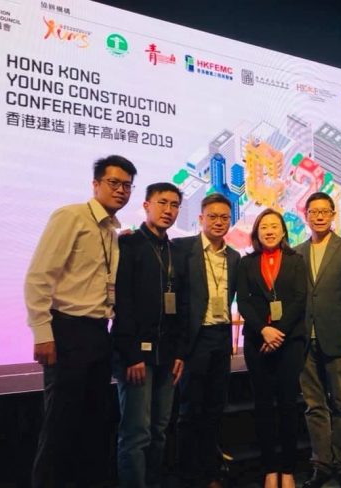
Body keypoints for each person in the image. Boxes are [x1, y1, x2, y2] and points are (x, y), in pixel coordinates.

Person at [25, 155, 137, 487]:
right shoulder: (71, 216)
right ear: (96, 184)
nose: (121, 190)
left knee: (92, 428)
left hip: (99, 334)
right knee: (60, 427)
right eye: (113, 183)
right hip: (67, 331)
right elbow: (38, 277)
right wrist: (42, 332)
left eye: (127, 185)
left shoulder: (112, 232)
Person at [111, 182, 187, 488]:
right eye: (162, 203)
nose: (168, 210)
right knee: (136, 434)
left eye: (174, 205)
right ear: (146, 205)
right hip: (135, 358)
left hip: (167, 356)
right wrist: (132, 355)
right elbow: (122, 304)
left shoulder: (175, 251)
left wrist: (180, 352)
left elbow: (182, 306)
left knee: (159, 431)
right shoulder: (128, 245)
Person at [295, 192, 341, 488]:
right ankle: (321, 464)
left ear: (333, 214)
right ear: (306, 215)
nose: (319, 216)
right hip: (305, 342)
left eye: (324, 211)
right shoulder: (297, 252)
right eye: (314, 211)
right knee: (314, 406)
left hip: (337, 340)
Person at [173, 193, 241, 488]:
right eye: (212, 216)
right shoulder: (182, 248)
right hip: (194, 339)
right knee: (190, 410)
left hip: (221, 338)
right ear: (201, 218)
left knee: (215, 408)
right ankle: (188, 476)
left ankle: (211, 471)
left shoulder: (234, 257)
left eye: (224, 217)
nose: (218, 222)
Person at [237, 209, 307, 488]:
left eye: (274, 226)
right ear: (256, 232)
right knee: (263, 406)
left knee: (288, 405)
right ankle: (270, 469)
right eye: (264, 226)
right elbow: (243, 301)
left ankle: (288, 469)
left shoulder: (296, 260)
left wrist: (278, 333)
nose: (269, 230)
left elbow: (300, 299)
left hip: (290, 342)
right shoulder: (246, 262)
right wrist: (263, 330)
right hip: (257, 341)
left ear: (283, 231)